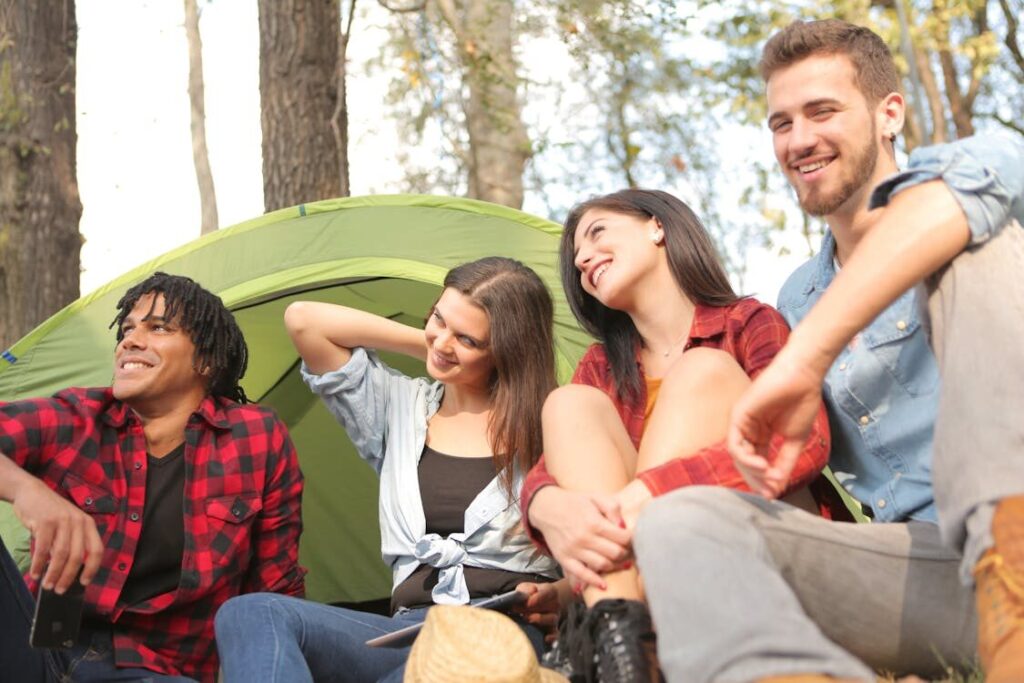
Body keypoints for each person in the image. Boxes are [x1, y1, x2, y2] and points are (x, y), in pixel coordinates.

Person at [633, 19, 1024, 683]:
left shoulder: (990, 160)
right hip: (931, 570)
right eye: (781, 123)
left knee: (971, 248)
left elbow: (944, 210)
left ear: (889, 113)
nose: (799, 140)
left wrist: (804, 360)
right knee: (680, 523)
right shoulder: (796, 299)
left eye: (822, 112)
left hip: (1009, 518)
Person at [518, 189, 833, 682]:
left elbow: (804, 439)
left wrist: (650, 495)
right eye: (576, 259)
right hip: (644, 589)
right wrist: (542, 505)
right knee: (568, 403)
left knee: (702, 369)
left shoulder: (748, 323)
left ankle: (629, 635)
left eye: (596, 232)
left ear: (656, 226)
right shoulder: (601, 367)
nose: (581, 259)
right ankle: (627, 657)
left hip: (765, 548)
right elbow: (551, 469)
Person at [215, 257, 564, 683]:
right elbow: (305, 320)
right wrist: (436, 347)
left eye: (468, 339)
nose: (443, 339)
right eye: (439, 317)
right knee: (251, 612)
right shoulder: (399, 408)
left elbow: (599, 550)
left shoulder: (553, 425)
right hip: (405, 628)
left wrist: (559, 595)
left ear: (508, 350)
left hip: (496, 635)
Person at [0, 272, 306, 683]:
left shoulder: (255, 438)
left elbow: (275, 594)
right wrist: (27, 491)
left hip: (156, 671)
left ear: (206, 360)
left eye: (158, 327)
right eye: (127, 329)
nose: (131, 339)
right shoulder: (77, 417)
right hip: (36, 651)